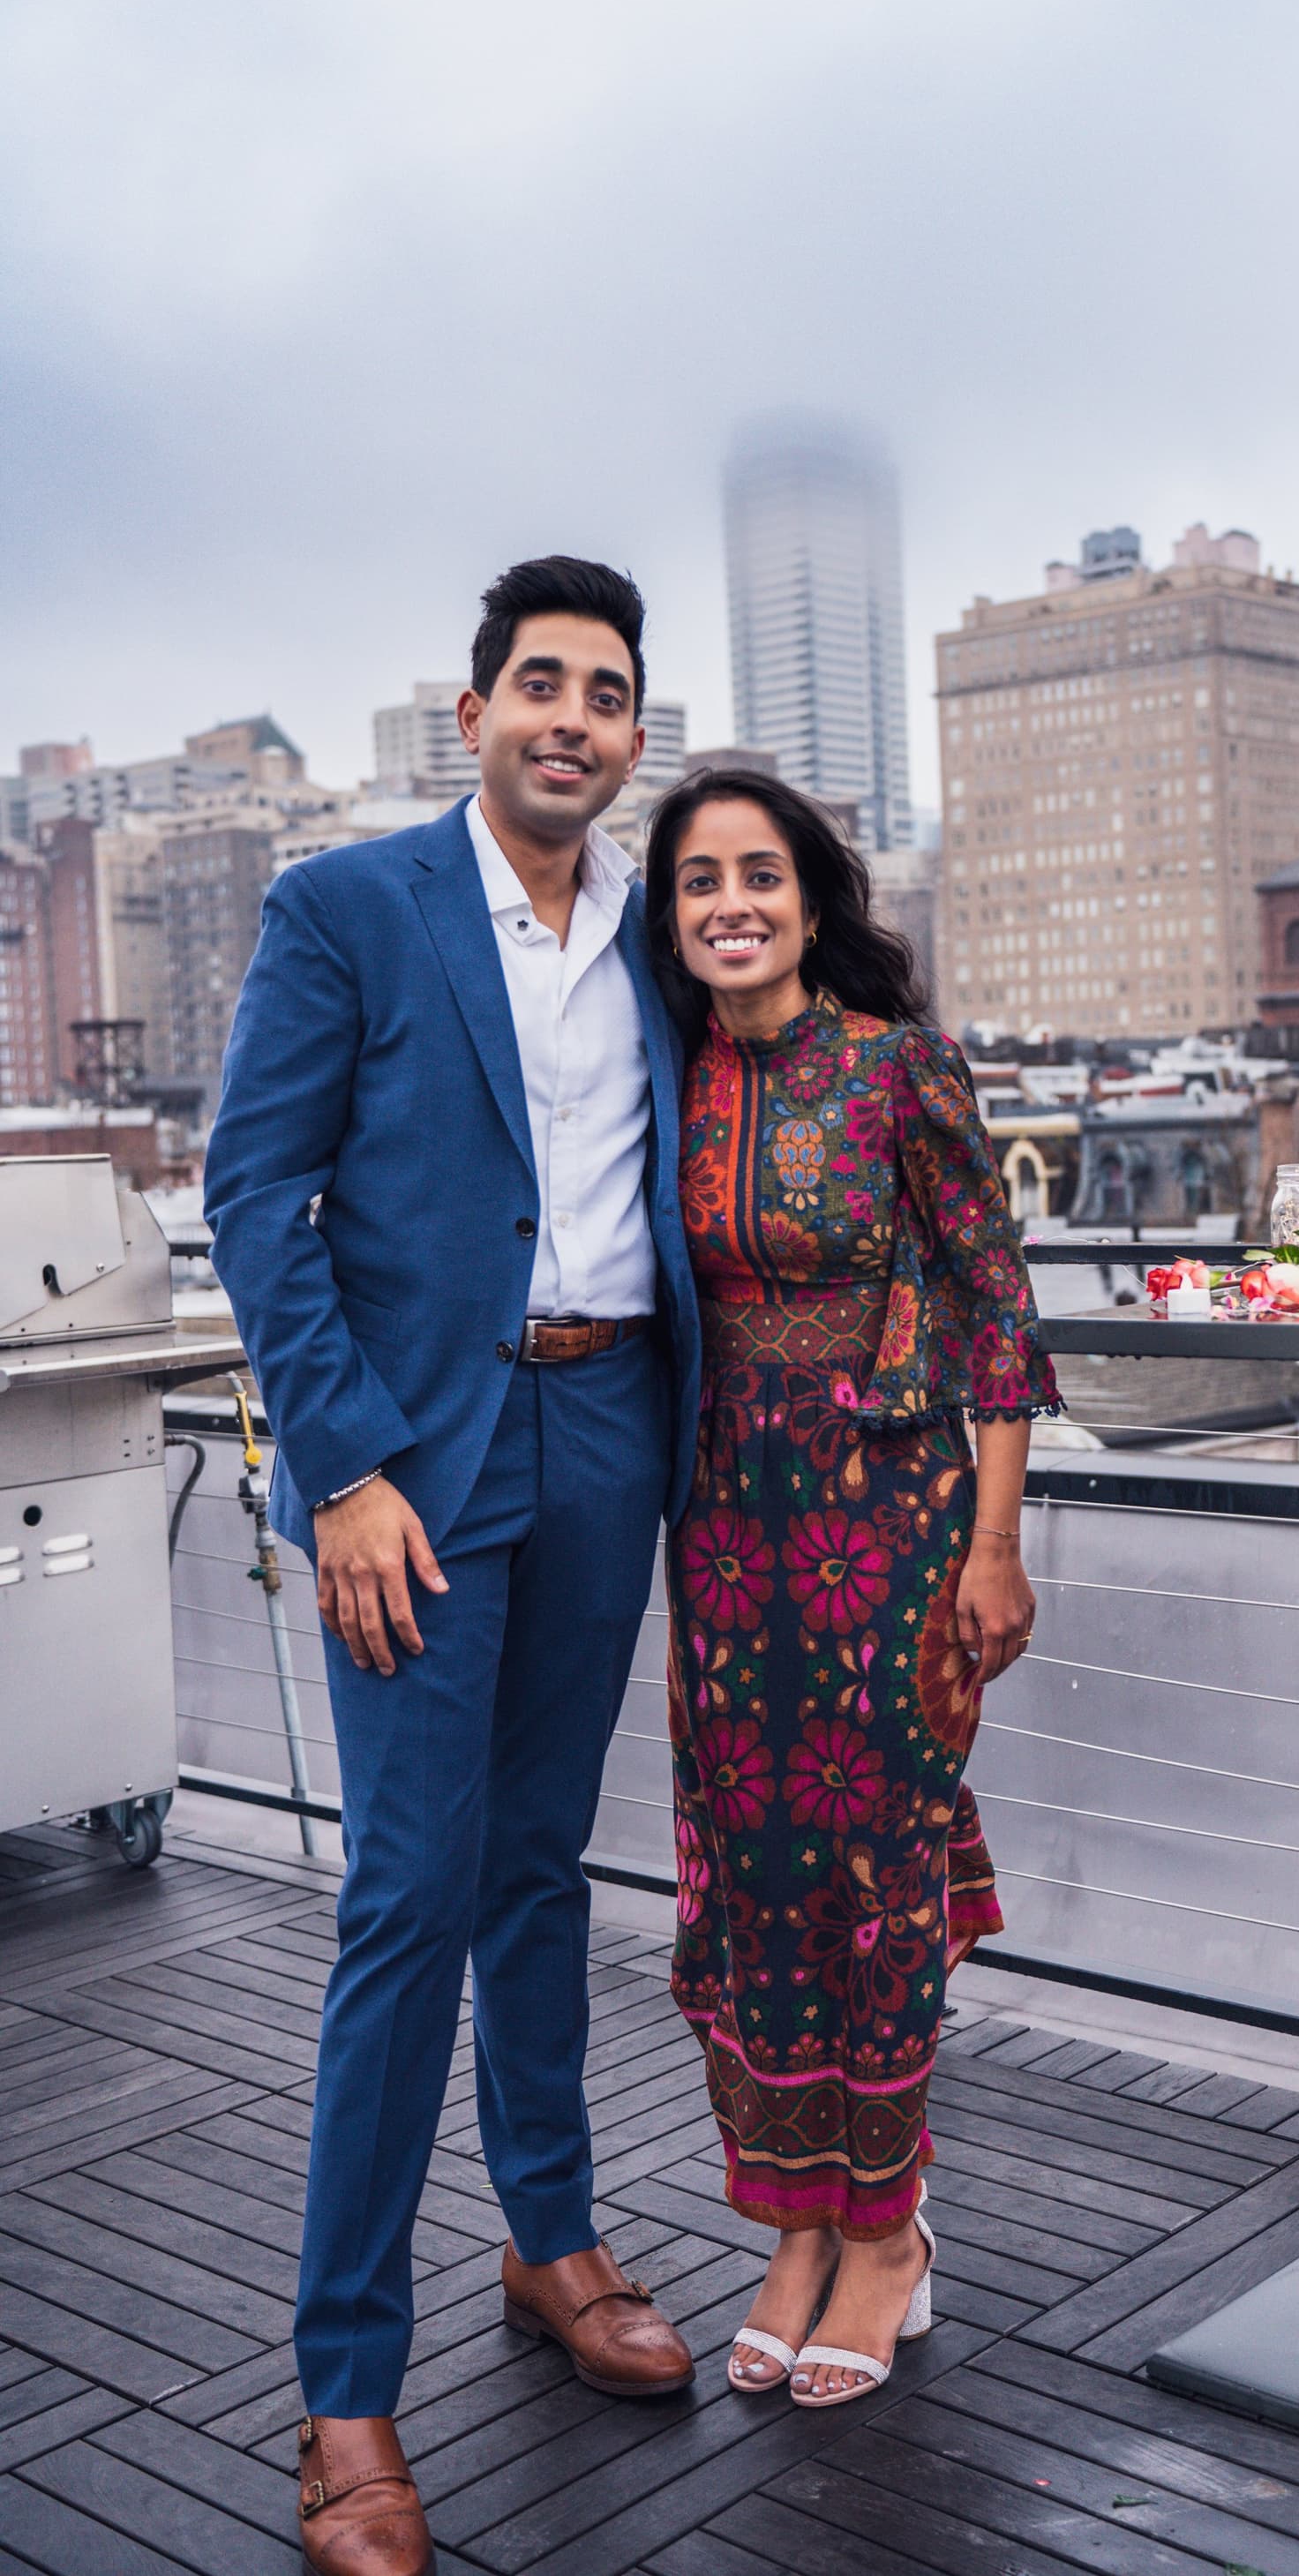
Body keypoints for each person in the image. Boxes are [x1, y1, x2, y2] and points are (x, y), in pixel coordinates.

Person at [206, 556, 702, 2576]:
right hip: (412, 1457)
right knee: (405, 1908)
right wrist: (339, 1472)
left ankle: (551, 2232)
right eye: (539, 685)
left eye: (605, 694)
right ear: (475, 708)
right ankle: (344, 2390)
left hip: (608, 1433)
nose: (571, 718)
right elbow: (257, 1193)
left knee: (538, 1872)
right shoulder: (350, 907)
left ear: (632, 736)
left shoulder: (661, 936)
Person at [644, 764, 1057, 2410]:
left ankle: (890, 2232)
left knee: (874, 1864)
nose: (729, 902)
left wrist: (1000, 1540)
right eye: (696, 882)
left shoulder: (901, 1069)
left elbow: (998, 1307)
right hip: (725, 1525)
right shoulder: (664, 1080)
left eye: (759, 873)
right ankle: (799, 2219)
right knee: (752, 1871)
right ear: (672, 917)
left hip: (892, 1517)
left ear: (813, 899)